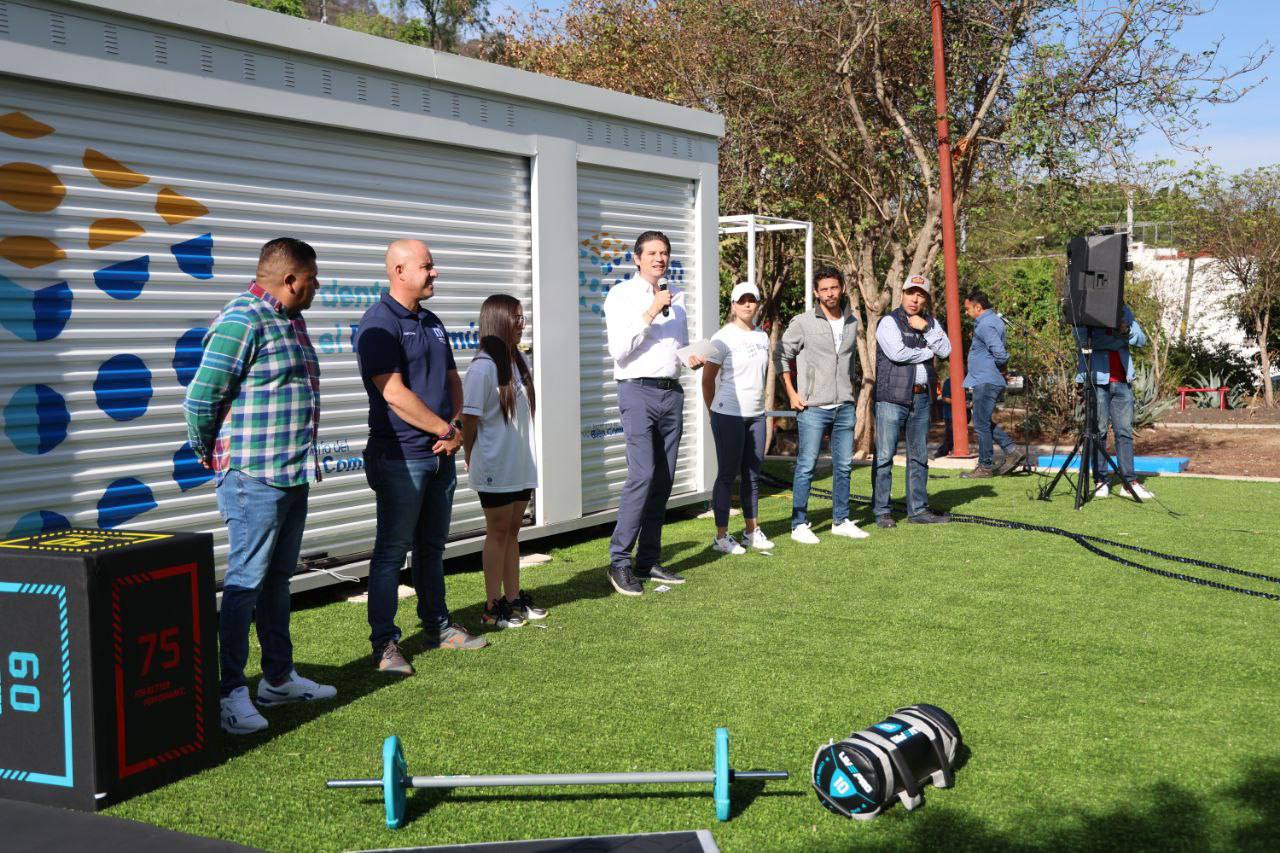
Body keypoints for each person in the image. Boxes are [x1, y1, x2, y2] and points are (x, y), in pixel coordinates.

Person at [184, 237, 336, 735]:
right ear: (290, 279)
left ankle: (277, 678)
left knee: (275, 582)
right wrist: (212, 455)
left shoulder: (291, 320)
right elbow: (201, 398)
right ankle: (230, 692)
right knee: (245, 585)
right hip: (254, 478)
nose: (316, 288)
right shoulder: (243, 319)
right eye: (311, 280)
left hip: (291, 475)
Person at [357, 238, 486, 677]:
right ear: (398, 271)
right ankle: (385, 645)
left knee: (431, 547)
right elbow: (393, 393)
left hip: (440, 454)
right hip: (400, 458)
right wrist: (446, 430)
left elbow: (452, 378)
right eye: (427, 267)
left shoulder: (432, 322)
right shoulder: (378, 323)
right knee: (391, 552)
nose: (435, 273)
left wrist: (457, 429)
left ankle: (438, 627)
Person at [603, 230, 704, 596]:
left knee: (663, 480)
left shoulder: (676, 300)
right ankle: (619, 561)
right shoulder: (622, 295)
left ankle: (648, 560)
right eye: (652, 253)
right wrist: (650, 310)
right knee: (642, 475)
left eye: (664, 253)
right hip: (637, 391)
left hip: (670, 392)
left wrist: (690, 357)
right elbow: (620, 350)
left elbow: (677, 346)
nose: (659, 259)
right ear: (636, 258)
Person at [461, 294, 546, 629]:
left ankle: (513, 599)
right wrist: (470, 455)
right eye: (515, 317)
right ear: (497, 321)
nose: (521, 323)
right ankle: (492, 606)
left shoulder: (515, 362)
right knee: (497, 532)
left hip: (519, 464)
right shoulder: (482, 368)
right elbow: (469, 420)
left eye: (522, 317)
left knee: (512, 532)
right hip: (495, 465)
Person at [775, 265, 866, 544]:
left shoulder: (852, 321)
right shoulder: (803, 322)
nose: (830, 293)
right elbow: (780, 354)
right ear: (816, 292)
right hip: (812, 407)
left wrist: (852, 391)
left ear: (841, 288)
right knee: (806, 467)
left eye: (834, 287)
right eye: (824, 289)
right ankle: (799, 524)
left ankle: (840, 520)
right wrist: (791, 392)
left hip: (844, 406)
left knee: (843, 466)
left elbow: (849, 361)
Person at [872, 274, 952, 527]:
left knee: (918, 456)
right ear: (902, 294)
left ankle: (917, 510)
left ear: (926, 299)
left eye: (920, 295)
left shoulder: (930, 322)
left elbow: (947, 350)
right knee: (885, 456)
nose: (914, 299)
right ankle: (882, 511)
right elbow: (897, 353)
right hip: (892, 398)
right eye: (910, 293)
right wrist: (928, 350)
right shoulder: (888, 322)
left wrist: (926, 329)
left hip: (921, 397)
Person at [702, 282, 775, 555]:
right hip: (728, 414)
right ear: (733, 305)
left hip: (756, 415)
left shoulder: (762, 336)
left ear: (757, 304)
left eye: (752, 300)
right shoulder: (722, 337)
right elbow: (707, 381)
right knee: (727, 475)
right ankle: (721, 537)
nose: (747, 305)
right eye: (742, 300)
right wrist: (713, 413)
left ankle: (751, 531)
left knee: (752, 475)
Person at [1074, 304, 1154, 500]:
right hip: (1098, 381)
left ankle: (1129, 483)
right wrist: (1120, 338)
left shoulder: (1124, 310)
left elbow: (1141, 340)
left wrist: (1125, 330)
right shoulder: (1087, 309)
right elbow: (1084, 341)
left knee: (1124, 433)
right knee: (1098, 432)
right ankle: (1100, 480)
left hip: (1122, 383)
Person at [960, 291, 1026, 478]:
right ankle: (1012, 450)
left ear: (978, 307)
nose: (966, 312)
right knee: (982, 421)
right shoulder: (990, 322)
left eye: (967, 309)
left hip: (986, 380)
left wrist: (995, 367)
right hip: (986, 379)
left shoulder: (986, 325)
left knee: (980, 423)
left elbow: (1000, 354)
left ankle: (985, 466)